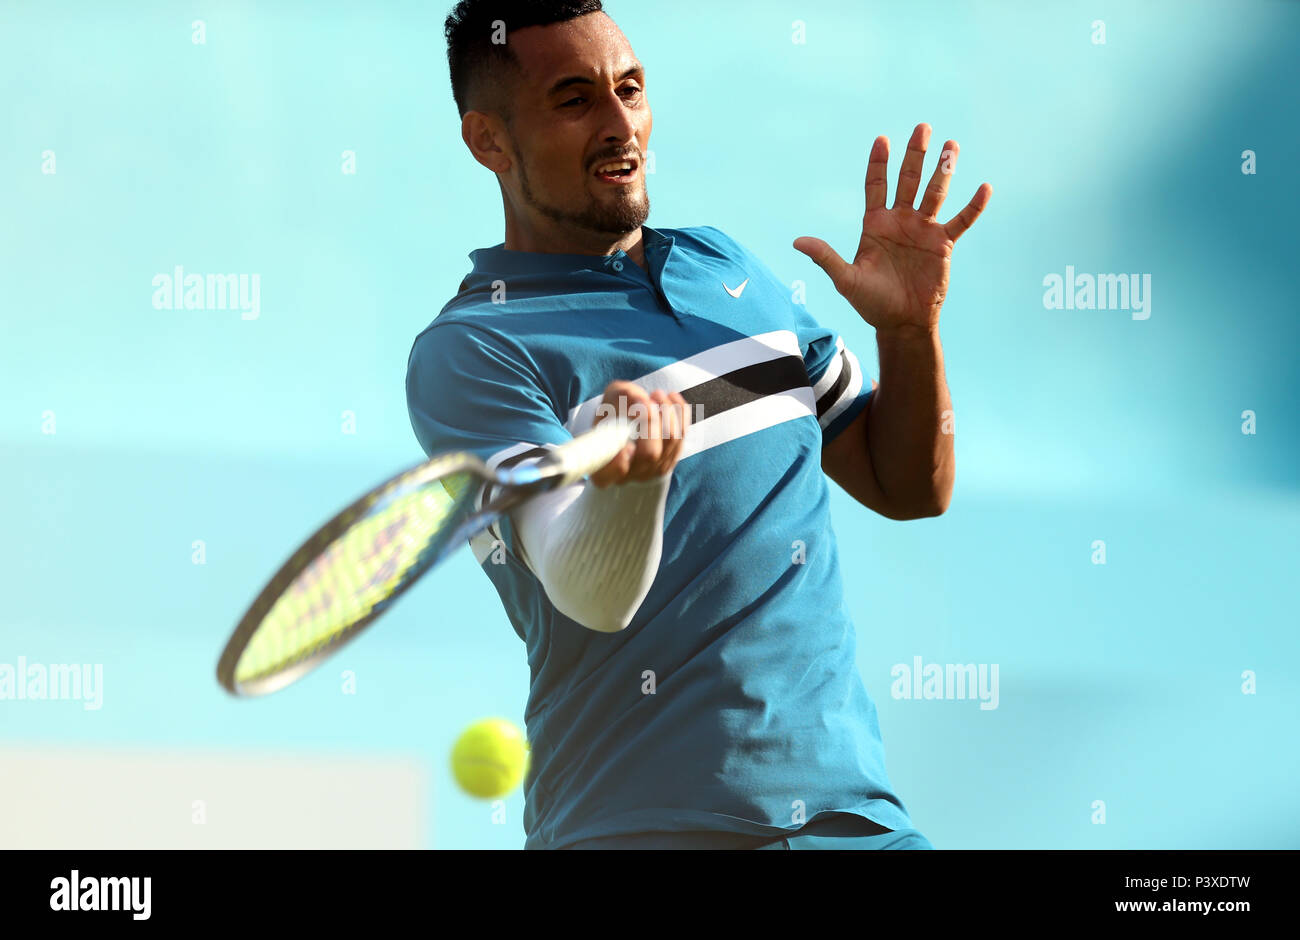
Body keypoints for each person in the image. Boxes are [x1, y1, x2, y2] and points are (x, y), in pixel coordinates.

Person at [406, 0, 992, 849]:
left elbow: (909, 486)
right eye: (575, 100)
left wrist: (908, 336)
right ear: (489, 140)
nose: (620, 124)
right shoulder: (474, 350)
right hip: (640, 828)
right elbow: (588, 591)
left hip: (857, 822)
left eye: (630, 88)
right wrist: (631, 491)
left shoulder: (730, 269)